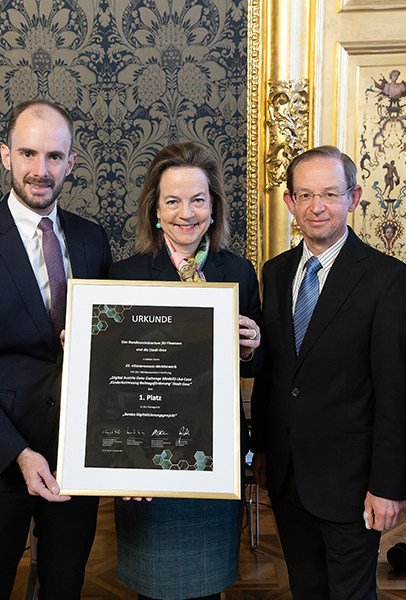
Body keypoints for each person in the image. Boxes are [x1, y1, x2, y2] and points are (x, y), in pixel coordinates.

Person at [0, 99, 112, 600]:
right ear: (5, 156)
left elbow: (112, 355)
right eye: (28, 153)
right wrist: (19, 454)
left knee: (64, 588)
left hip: (76, 462)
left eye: (55, 156)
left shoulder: (93, 241)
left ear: (71, 163)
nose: (40, 169)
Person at [251, 146, 406, 599]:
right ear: (289, 202)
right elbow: (275, 371)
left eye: (329, 193)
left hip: (353, 482)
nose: (316, 207)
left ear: (354, 197)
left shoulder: (389, 281)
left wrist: (387, 484)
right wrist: (262, 447)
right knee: (306, 587)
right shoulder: (276, 271)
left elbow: (395, 392)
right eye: (304, 195)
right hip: (287, 475)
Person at [110, 142, 262, 600]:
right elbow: (114, 385)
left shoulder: (239, 271)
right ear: (155, 210)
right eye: (172, 201)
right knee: (153, 588)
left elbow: (256, 363)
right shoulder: (124, 276)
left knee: (208, 587)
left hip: (215, 457)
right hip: (148, 460)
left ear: (213, 206)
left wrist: (253, 348)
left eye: (198, 199)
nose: (186, 213)